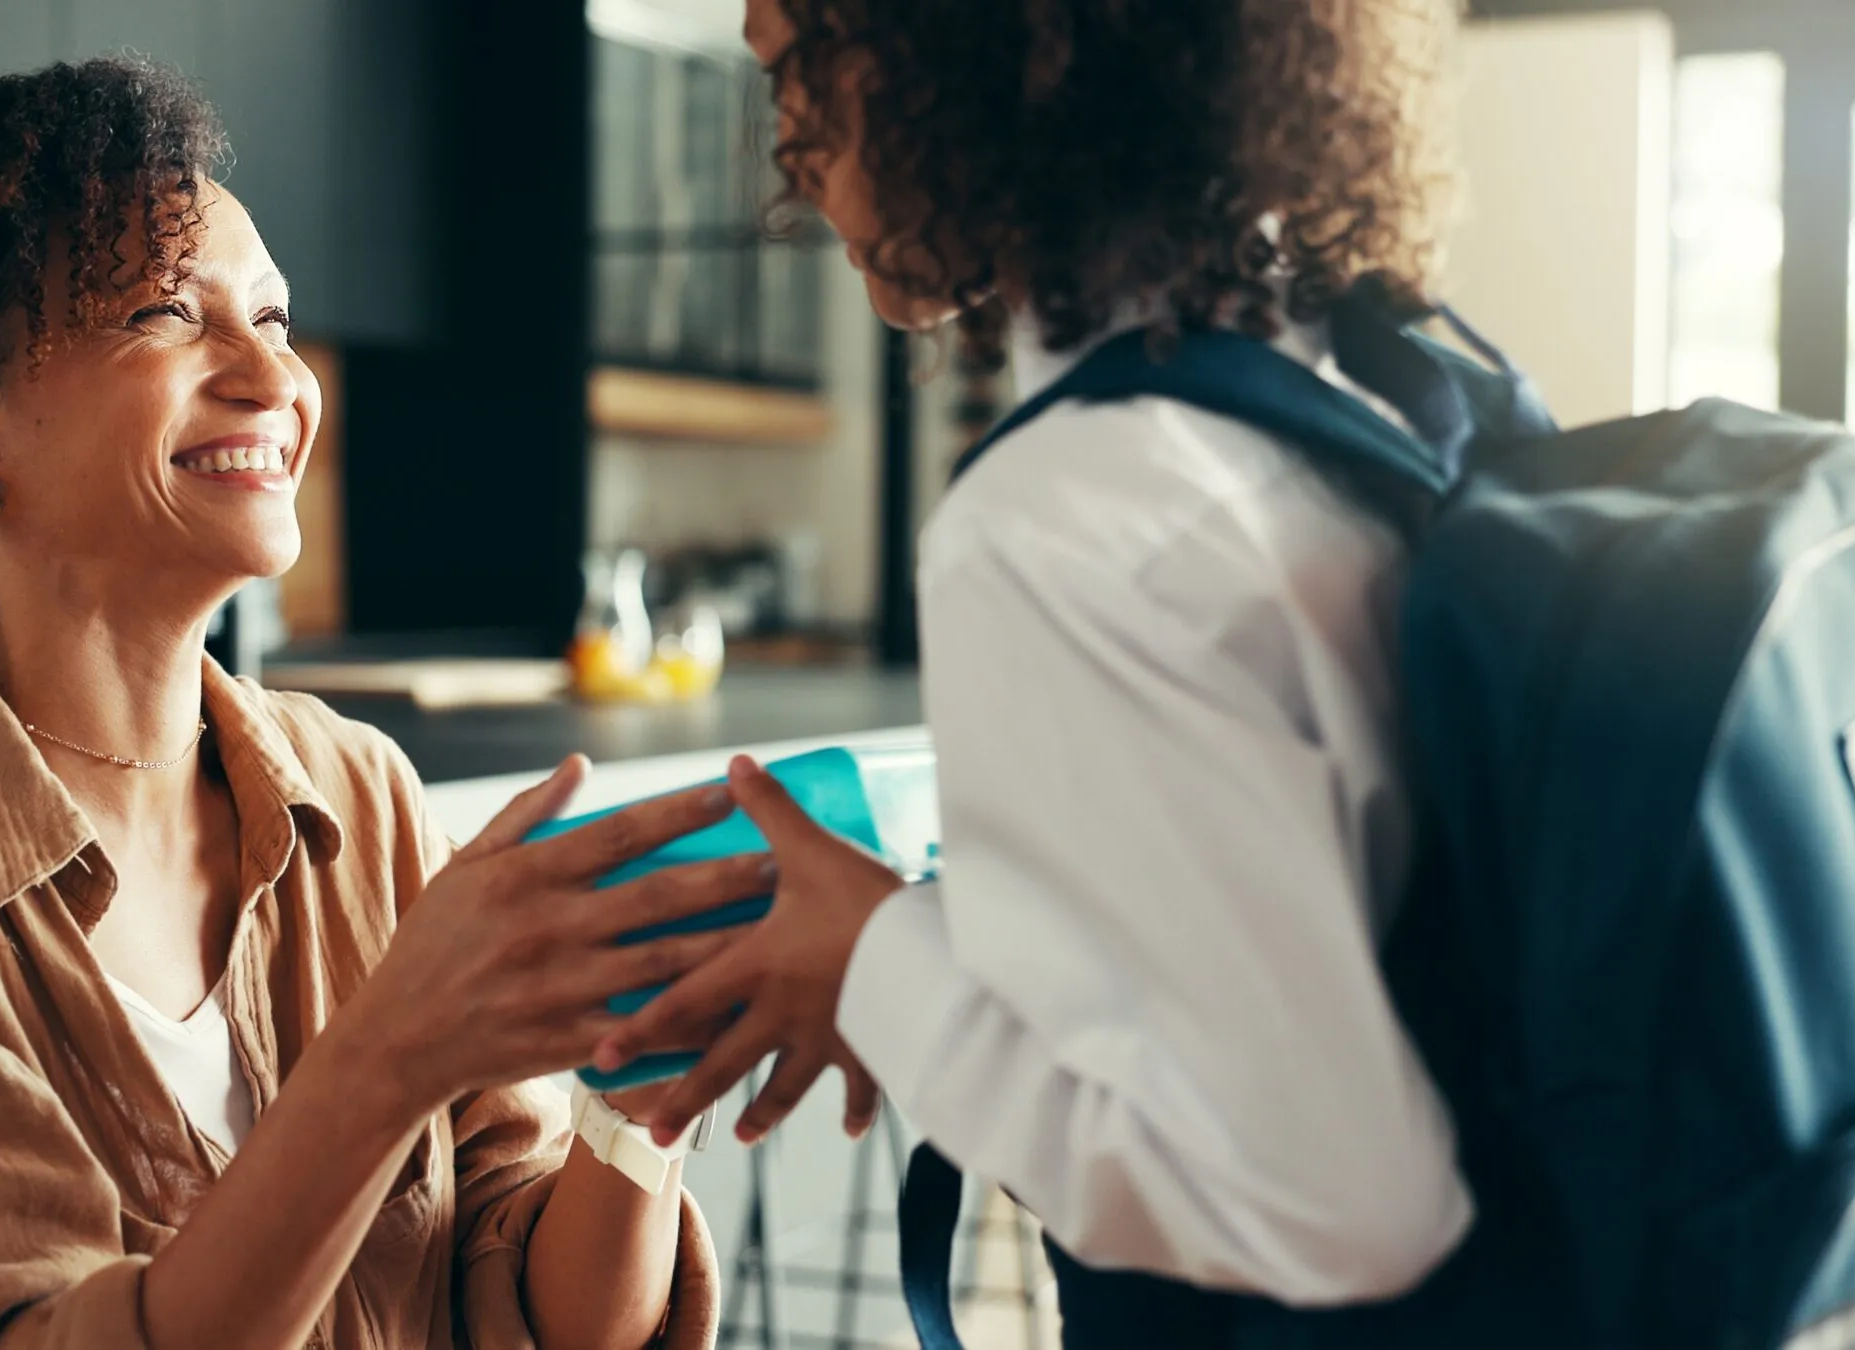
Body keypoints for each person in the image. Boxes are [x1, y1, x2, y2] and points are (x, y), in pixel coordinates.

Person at [0, 58, 760, 1350]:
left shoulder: (360, 790)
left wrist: (643, 1089)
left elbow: (537, 1311)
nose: (274, 379)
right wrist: (389, 1055)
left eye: (278, 319)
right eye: (166, 316)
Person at [598, 0, 1479, 1310]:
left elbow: (1337, 1205)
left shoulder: (1065, 511)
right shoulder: (1338, 400)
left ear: (964, 53)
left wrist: (880, 959)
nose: (786, 144)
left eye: (796, 69)